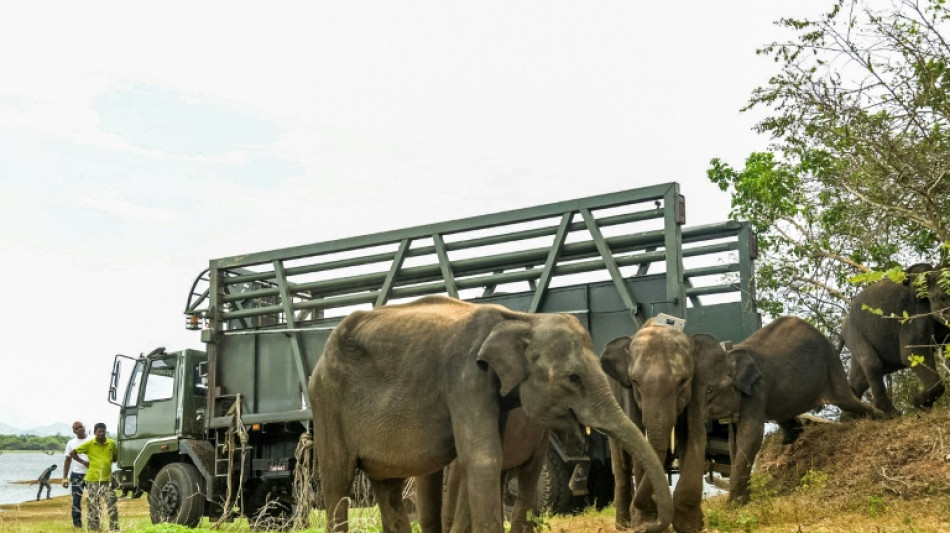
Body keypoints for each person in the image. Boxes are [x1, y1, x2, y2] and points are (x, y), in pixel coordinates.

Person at [70, 422, 118, 532]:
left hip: (107, 480)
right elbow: (73, 453)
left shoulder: (112, 443)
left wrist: (112, 459)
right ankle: (94, 529)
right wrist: (83, 462)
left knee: (112, 504)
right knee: (93, 505)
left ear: (106, 431)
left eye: (103, 431)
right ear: (95, 432)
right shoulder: (89, 443)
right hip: (92, 480)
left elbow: (115, 457)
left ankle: (114, 528)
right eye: (99, 431)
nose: (101, 433)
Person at [63, 421, 90, 528]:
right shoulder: (71, 443)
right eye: (77, 428)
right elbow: (67, 460)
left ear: (84, 427)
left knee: (93, 499)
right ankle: (77, 525)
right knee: (76, 500)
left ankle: (93, 523)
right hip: (76, 475)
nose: (79, 429)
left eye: (81, 427)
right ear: (74, 431)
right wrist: (65, 477)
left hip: (91, 474)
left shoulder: (92, 439)